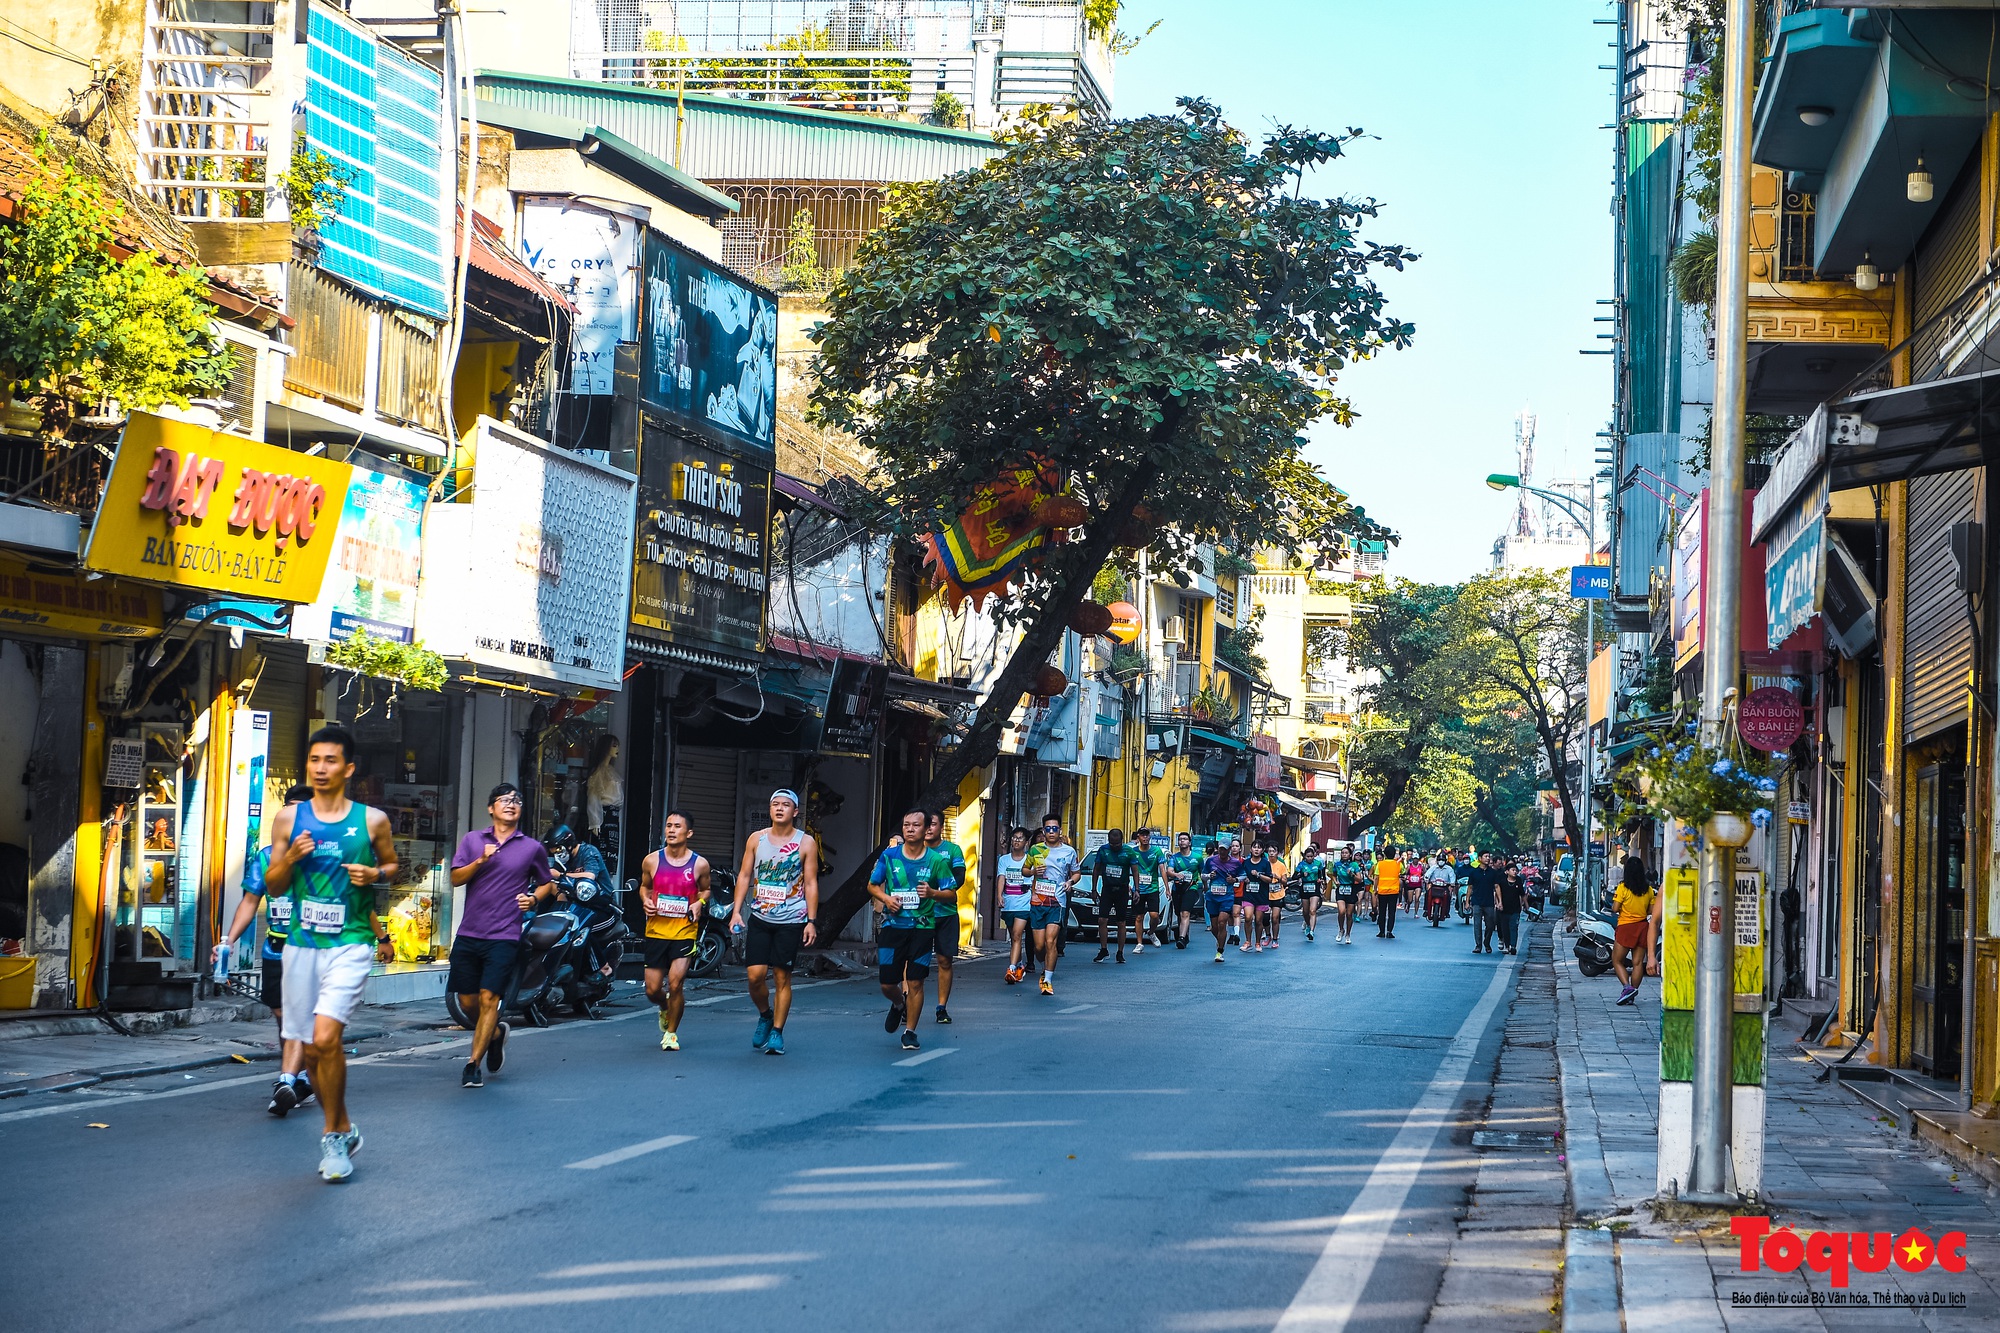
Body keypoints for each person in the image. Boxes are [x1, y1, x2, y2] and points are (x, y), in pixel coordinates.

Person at [261, 725, 397, 1183]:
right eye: (314, 761)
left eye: (330, 761)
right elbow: (272, 885)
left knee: (324, 1039)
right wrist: (291, 859)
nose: (320, 769)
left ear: (348, 768)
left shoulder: (372, 820)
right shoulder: (288, 820)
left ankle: (332, 1137)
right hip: (300, 946)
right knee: (313, 1054)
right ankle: (342, 1125)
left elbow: (392, 866)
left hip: (351, 943)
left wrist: (374, 873)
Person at [213, 784, 315, 1116]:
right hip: (275, 950)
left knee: (298, 1018)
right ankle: (300, 1078)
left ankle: (285, 1080)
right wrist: (227, 941)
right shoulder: (267, 856)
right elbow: (249, 902)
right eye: (289, 810)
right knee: (284, 1019)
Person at [448, 784, 555, 1089]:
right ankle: (496, 1034)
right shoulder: (472, 841)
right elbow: (455, 879)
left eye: (516, 801)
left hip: (505, 935)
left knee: (488, 999)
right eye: (504, 800)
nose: (511, 804)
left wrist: (533, 899)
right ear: (490, 808)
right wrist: (480, 861)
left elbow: (547, 883)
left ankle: (472, 1065)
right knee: (467, 1002)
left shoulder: (531, 847)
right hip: (470, 933)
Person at [732, 789, 820, 1055]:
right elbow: (745, 875)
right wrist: (736, 911)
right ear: (770, 810)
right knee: (754, 977)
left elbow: (811, 882)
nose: (779, 808)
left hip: (791, 919)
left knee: (782, 977)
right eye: (775, 804)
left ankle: (778, 1033)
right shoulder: (756, 839)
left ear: (795, 812)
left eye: (786, 805)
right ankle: (765, 1014)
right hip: (760, 916)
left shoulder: (806, 843)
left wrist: (811, 920)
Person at [870, 807, 950, 1046]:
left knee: (915, 981)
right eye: (906, 825)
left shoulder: (936, 860)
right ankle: (898, 1004)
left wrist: (933, 892)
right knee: (887, 983)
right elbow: (873, 885)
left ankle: (910, 1032)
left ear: (927, 830)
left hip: (923, 928)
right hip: (893, 926)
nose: (910, 829)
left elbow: (951, 895)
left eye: (916, 825)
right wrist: (886, 899)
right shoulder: (889, 856)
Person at [638, 811, 710, 1049]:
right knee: (652, 990)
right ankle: (664, 1006)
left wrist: (699, 904)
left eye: (677, 826)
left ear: (688, 833)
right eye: (668, 825)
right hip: (656, 932)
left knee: (676, 983)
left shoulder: (699, 864)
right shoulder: (652, 860)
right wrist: (645, 900)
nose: (671, 830)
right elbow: (644, 887)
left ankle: (671, 1034)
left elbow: (705, 891)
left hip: (684, 932)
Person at [1025, 816, 1082, 994]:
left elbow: (1077, 873)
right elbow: (1024, 871)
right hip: (1037, 901)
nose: (1051, 832)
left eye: (1054, 829)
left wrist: (1070, 883)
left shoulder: (1069, 851)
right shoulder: (1035, 849)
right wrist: (1033, 871)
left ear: (1060, 831)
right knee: (1039, 946)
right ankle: (1045, 965)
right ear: (1043, 831)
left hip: (1057, 902)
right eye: (1048, 829)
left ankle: (1048, 980)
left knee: (1051, 941)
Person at [922, 812, 966, 1023]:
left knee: (944, 960)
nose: (928, 828)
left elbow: (960, 876)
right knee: (911, 960)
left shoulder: (952, 850)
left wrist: (940, 889)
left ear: (941, 826)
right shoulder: (913, 850)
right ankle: (906, 1000)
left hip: (946, 913)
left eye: (933, 824)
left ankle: (941, 1007)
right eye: (925, 824)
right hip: (918, 914)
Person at [1611, 856, 1655, 1004]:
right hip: (1642, 927)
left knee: (1617, 960)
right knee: (1637, 963)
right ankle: (1631, 994)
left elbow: (1615, 908)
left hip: (1625, 927)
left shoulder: (1622, 888)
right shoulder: (1648, 890)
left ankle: (1627, 987)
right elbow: (1651, 910)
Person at [1090, 828, 1138, 964]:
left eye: (1117, 844)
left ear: (1122, 841)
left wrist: (1136, 890)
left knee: (1121, 922)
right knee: (1102, 919)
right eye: (1112, 844)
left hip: (1122, 890)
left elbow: (1135, 871)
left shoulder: (1129, 851)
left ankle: (1120, 952)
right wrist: (1094, 889)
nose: (1115, 846)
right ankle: (1104, 949)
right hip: (1107, 889)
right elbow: (1096, 869)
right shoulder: (1103, 850)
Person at [997, 827, 1034, 984]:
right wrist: (999, 895)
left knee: (1018, 935)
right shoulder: (1004, 860)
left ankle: (1011, 968)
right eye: (1014, 838)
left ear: (1026, 842)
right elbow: (1001, 878)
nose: (1016, 841)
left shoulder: (1030, 861)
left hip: (1024, 902)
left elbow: (1035, 881)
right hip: (1008, 902)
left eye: (1020, 838)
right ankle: (1019, 966)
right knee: (1014, 937)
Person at [1128, 827, 1166, 952]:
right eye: (1142, 835)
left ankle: (1151, 932)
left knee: (1154, 916)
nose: (1145, 838)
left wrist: (1167, 888)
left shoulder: (1156, 851)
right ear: (1138, 837)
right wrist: (1129, 884)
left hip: (1152, 888)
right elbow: (1128, 869)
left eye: (1147, 835)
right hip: (1138, 890)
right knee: (1139, 917)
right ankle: (1139, 943)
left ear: (1150, 837)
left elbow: (1162, 870)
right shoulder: (1133, 852)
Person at [1201, 839, 1239, 962]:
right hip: (1212, 896)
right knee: (1214, 927)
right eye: (1221, 848)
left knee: (1222, 922)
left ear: (1229, 850)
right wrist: (1208, 876)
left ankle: (1220, 951)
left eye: (1225, 849)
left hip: (1226, 896)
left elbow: (1243, 875)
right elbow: (1203, 875)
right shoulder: (1211, 861)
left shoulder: (1235, 863)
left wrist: (1234, 880)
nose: (1222, 851)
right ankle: (1220, 940)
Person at [1167, 832, 1203, 949]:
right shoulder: (1174, 857)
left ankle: (1181, 938)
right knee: (1179, 913)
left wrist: (1205, 885)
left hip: (1191, 888)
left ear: (1189, 842)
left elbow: (1203, 873)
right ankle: (1184, 933)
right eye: (1180, 839)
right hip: (1177, 888)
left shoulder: (1197, 857)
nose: (1182, 841)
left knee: (1185, 912)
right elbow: (1169, 871)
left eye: (1185, 839)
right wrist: (1176, 874)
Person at [1243, 843, 1278, 949]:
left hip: (1261, 895)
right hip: (1248, 895)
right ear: (1251, 849)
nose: (1256, 850)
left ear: (1262, 850)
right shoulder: (1246, 863)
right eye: (1254, 847)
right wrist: (1244, 879)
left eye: (1259, 848)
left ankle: (1257, 942)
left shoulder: (1265, 863)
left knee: (1259, 920)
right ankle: (1248, 941)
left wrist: (1258, 875)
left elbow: (1269, 879)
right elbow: (1240, 875)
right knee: (1248, 917)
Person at [1466, 852, 1502, 954]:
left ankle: (1487, 942)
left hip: (1489, 902)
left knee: (1490, 925)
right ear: (1480, 858)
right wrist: (1467, 902)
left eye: (1489, 857)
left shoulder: (1492, 873)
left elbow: (1496, 887)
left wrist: (1500, 901)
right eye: (1485, 857)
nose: (1488, 858)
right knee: (1477, 925)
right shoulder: (1474, 872)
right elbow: (1470, 887)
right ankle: (1478, 945)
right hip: (1476, 901)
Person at [1293, 842, 1328, 942]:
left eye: (1311, 856)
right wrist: (1301, 875)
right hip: (1304, 887)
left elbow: (1322, 874)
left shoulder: (1318, 864)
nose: (1309, 858)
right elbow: (1294, 876)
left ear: (1314, 856)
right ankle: (1308, 924)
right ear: (1305, 856)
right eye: (1307, 856)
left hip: (1314, 887)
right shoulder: (1301, 865)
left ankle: (1312, 931)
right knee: (1305, 911)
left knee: (1312, 910)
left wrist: (1322, 881)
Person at [1496, 855, 1526, 955]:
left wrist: (1525, 905)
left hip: (1515, 909)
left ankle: (1513, 946)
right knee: (1505, 928)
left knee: (1514, 927)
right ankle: (1507, 945)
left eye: (1515, 870)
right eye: (1512, 870)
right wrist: (1499, 903)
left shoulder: (1518, 881)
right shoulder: (1502, 881)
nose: (1515, 872)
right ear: (1507, 871)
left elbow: (1522, 894)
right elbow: (1497, 891)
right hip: (1504, 909)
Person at [1331, 848, 1361, 943]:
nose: (1344, 854)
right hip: (1341, 889)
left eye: (1346, 853)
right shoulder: (1337, 864)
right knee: (1341, 911)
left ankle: (1348, 934)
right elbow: (1333, 875)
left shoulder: (1354, 865)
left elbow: (1359, 879)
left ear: (1350, 854)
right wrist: (1336, 882)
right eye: (1342, 853)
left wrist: (1352, 874)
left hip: (1351, 889)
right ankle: (1341, 929)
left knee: (1349, 914)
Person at [1373, 845, 1403, 939]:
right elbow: (1403, 871)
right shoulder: (1398, 864)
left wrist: (1375, 889)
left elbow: (1376, 877)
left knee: (1382, 912)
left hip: (1382, 891)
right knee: (1391, 912)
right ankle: (1389, 931)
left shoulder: (1380, 864)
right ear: (1394, 854)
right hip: (1394, 891)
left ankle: (1381, 931)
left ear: (1384, 854)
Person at [1424, 855, 1456, 927]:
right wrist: (1426, 879)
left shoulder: (1449, 869)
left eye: (1442, 860)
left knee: (1448, 897)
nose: (1441, 861)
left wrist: (1452, 883)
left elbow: (1452, 877)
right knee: (1427, 894)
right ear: (1437, 860)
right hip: (1434, 886)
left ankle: (1446, 912)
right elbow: (1427, 874)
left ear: (1445, 861)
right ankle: (1426, 910)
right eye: (1439, 860)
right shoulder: (1433, 868)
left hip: (1444, 887)